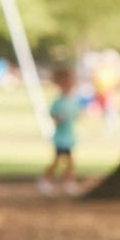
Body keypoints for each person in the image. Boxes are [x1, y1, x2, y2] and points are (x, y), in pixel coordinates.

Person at [38, 66, 82, 196]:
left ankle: (68, 181)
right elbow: (53, 115)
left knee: (70, 161)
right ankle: (46, 180)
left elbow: (77, 114)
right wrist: (59, 119)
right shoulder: (59, 102)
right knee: (57, 161)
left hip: (69, 136)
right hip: (61, 137)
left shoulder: (73, 101)